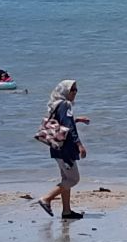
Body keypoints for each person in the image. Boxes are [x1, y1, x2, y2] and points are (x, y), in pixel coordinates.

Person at [36, 79, 89, 220]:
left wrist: (77, 120)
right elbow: (69, 127)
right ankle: (46, 198)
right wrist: (79, 145)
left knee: (66, 178)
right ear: (65, 91)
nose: (75, 92)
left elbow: (61, 122)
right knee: (73, 179)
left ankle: (66, 211)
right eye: (73, 89)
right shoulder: (65, 104)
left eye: (76, 89)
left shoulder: (56, 104)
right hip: (65, 149)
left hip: (56, 146)